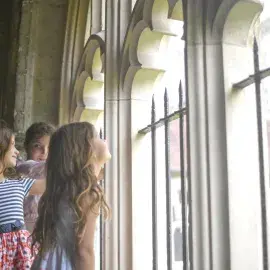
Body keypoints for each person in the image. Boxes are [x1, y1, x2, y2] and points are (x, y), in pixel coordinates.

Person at [31, 122, 111, 270]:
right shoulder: (87, 194)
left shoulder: (66, 188)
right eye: (98, 136)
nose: (105, 140)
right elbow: (84, 252)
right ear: (86, 150)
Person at [0, 120, 46, 269]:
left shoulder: (19, 184)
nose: (17, 151)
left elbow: (56, 183)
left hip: (19, 259)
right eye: (12, 145)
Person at [17, 122, 55, 232]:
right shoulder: (20, 168)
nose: (45, 152)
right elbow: (35, 168)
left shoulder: (53, 174)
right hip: (23, 230)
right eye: (37, 146)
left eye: (50, 147)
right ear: (26, 146)